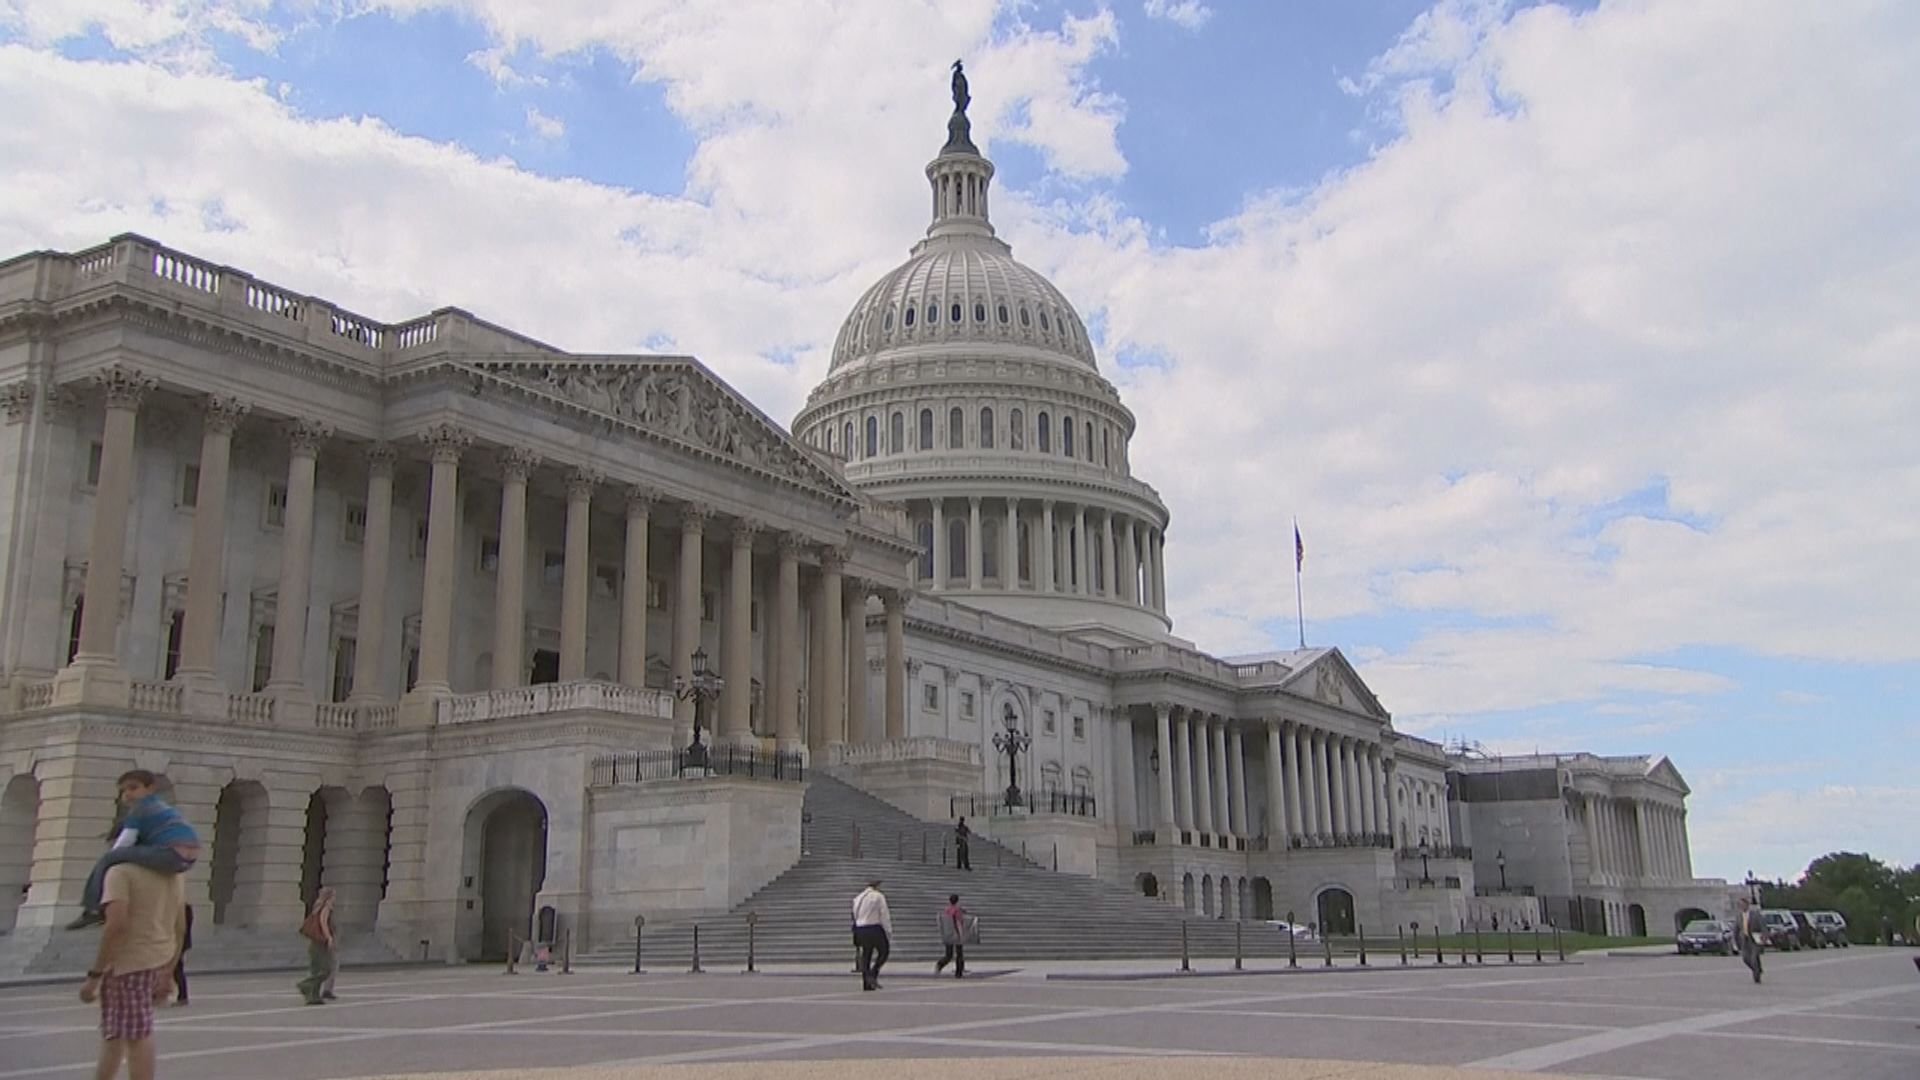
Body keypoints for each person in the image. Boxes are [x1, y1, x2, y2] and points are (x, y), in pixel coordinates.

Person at [79, 859, 187, 1080]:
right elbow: (180, 927)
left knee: (135, 1037)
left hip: (127, 965)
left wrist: (95, 974)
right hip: (157, 960)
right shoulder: (173, 875)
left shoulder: (120, 873)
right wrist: (168, 970)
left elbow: (116, 925)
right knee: (116, 1035)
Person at [68, 771, 200, 931]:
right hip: (186, 857)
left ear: (150, 788)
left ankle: (93, 908)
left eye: (133, 788)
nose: (128, 794)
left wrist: (111, 856)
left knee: (108, 859)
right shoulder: (160, 807)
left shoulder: (141, 808)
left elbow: (126, 841)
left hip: (170, 852)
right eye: (124, 790)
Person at [296, 887, 338, 1005]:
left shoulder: (316, 908)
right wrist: (329, 938)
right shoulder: (326, 908)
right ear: (329, 897)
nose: (335, 899)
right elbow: (323, 923)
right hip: (320, 942)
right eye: (333, 896)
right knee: (326, 968)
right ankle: (305, 985)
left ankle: (313, 996)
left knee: (316, 969)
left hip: (315, 942)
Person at [851, 879, 892, 992]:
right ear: (877, 886)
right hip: (874, 927)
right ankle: (873, 974)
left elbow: (854, 915)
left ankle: (866, 982)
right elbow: (884, 914)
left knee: (866, 955)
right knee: (884, 952)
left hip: (860, 929)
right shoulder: (878, 896)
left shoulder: (857, 898)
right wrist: (888, 931)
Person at [934, 893, 969, 979]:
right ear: (957, 901)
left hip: (948, 934)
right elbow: (958, 922)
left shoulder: (947, 909)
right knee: (959, 954)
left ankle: (940, 964)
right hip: (956, 934)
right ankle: (958, 973)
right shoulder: (957, 910)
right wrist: (961, 934)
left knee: (949, 954)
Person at [1734, 896, 1765, 984]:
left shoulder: (1755, 914)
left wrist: (1764, 937)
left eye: (1743, 904)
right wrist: (1736, 942)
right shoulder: (1739, 916)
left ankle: (1756, 976)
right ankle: (1757, 969)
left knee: (1754, 957)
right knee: (1745, 958)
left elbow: (1763, 926)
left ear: (1747, 905)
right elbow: (1735, 930)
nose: (1741, 906)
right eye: (1740, 905)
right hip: (1745, 939)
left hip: (1755, 938)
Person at [170, 904, 192, 1007]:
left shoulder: (182, 908)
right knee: (177, 968)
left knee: (177, 968)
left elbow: (181, 927)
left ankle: (183, 996)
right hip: (178, 941)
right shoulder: (183, 907)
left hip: (178, 941)